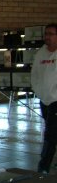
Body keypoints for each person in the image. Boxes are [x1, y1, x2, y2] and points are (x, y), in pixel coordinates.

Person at [31, 23, 57, 174]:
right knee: (53, 131)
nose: (47, 37)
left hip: (56, 101)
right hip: (44, 100)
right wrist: (38, 91)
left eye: (51, 34)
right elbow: (35, 75)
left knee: (50, 134)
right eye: (46, 34)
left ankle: (43, 167)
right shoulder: (41, 53)